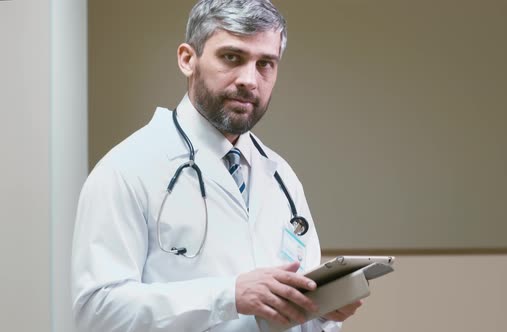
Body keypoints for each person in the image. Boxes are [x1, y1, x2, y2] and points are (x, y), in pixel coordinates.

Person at [71, 0, 362, 331]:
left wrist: (319, 311)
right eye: (232, 57)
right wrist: (228, 295)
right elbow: (96, 312)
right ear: (187, 59)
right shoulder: (125, 170)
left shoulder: (282, 178)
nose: (249, 80)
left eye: (265, 63)